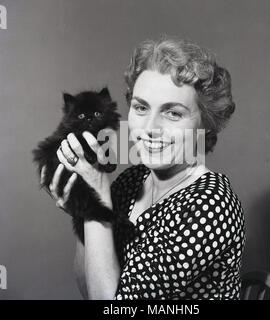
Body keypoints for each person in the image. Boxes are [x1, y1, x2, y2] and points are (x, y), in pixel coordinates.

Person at [41, 36, 245, 300]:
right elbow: (91, 288)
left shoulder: (211, 205)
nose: (149, 129)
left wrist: (97, 197)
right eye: (140, 107)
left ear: (205, 124)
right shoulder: (133, 178)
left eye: (173, 113)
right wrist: (84, 211)